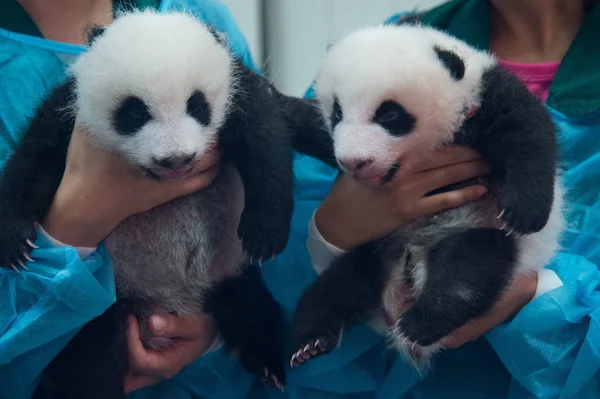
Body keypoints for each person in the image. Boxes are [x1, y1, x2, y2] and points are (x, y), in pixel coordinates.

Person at [268, 0, 600, 398]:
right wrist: (329, 233)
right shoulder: (396, 43)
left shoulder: (480, 86)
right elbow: (280, 258)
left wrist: (538, 294)